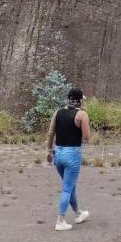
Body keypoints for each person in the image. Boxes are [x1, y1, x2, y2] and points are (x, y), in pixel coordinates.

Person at [46, 88, 91, 232]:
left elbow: (51, 133)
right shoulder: (82, 114)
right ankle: (60, 220)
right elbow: (87, 137)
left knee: (69, 185)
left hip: (58, 153)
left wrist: (49, 151)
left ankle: (78, 213)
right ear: (80, 100)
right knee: (67, 188)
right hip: (72, 155)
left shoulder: (58, 112)